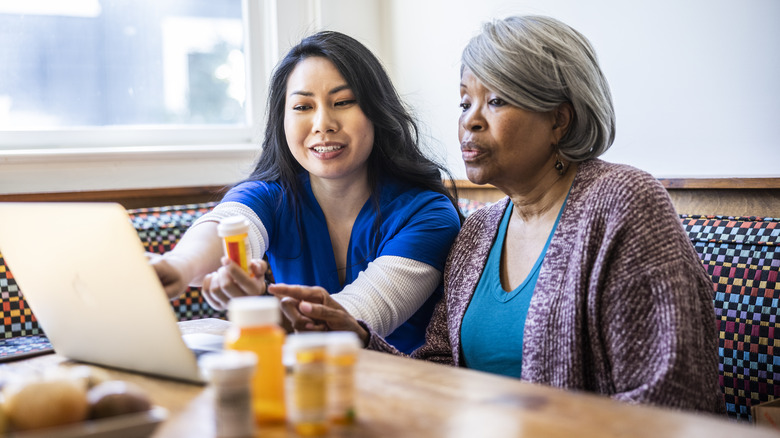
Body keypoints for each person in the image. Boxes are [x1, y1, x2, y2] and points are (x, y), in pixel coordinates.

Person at [269, 16, 723, 413]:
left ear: (559, 120)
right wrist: (355, 335)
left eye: (497, 100)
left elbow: (673, 396)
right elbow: (440, 375)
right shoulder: (478, 231)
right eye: (465, 102)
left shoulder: (623, 203)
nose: (471, 120)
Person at [150, 31, 462, 354]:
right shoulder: (272, 197)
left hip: (404, 387)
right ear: (282, 120)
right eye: (302, 106)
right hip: (304, 383)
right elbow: (228, 226)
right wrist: (176, 267)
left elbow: (349, 322)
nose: (323, 123)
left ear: (376, 112)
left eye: (343, 102)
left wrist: (258, 305)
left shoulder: (429, 215)